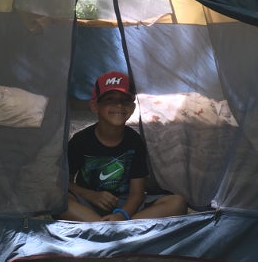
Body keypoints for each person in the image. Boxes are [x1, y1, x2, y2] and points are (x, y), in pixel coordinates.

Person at [58, 71, 187, 222]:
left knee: (177, 203)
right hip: (89, 204)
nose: (118, 105)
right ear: (95, 106)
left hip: (126, 206)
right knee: (58, 200)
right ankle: (111, 229)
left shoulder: (134, 141)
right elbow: (65, 183)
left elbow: (137, 193)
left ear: (132, 108)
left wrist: (122, 215)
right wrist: (91, 195)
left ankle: (113, 229)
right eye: (110, 99)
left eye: (124, 100)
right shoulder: (80, 140)